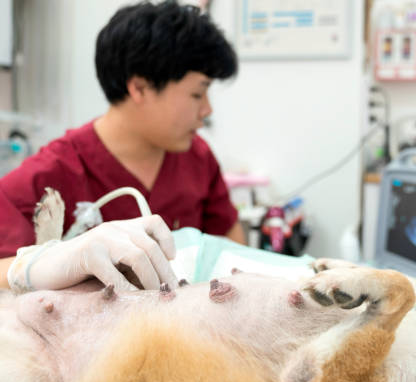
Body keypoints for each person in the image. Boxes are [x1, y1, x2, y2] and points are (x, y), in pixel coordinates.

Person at [0, 0, 245, 292]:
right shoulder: (45, 176)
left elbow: (235, 256)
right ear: (139, 88)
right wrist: (59, 262)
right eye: (197, 94)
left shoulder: (198, 159)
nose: (207, 110)